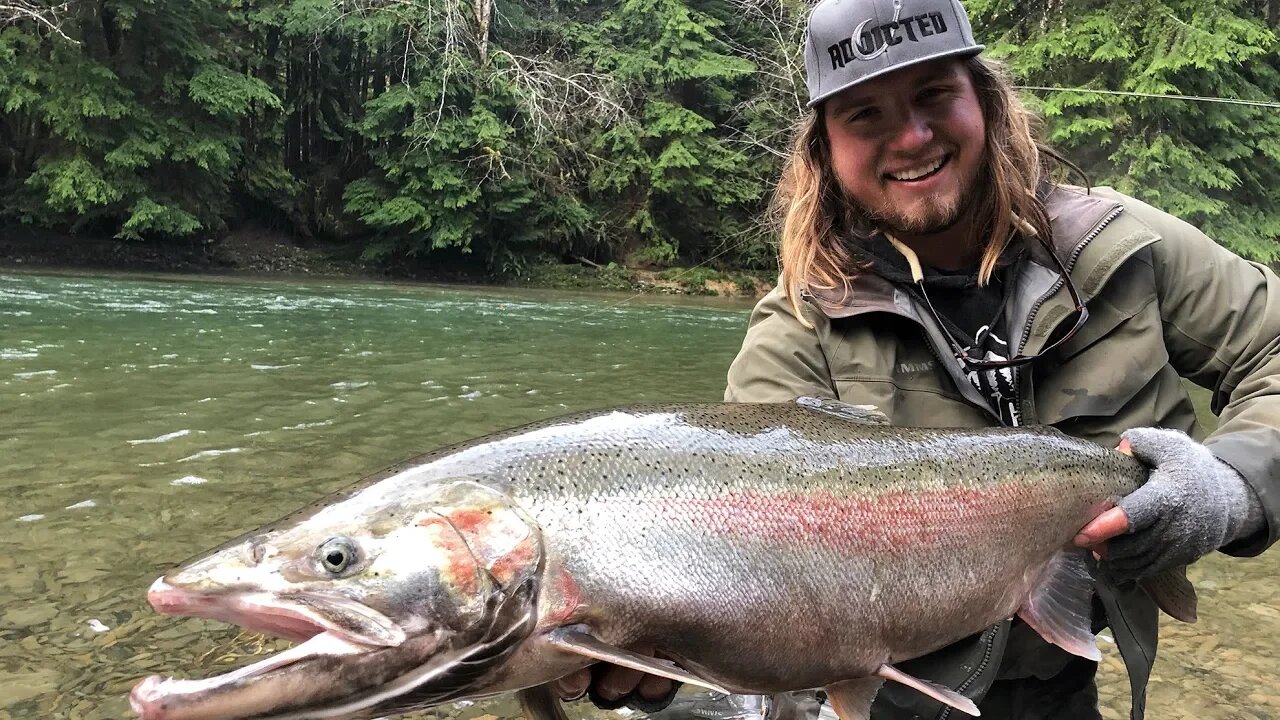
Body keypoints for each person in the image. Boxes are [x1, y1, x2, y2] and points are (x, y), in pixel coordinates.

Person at [555, 0, 1280, 717]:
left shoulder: (1124, 248)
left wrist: (1230, 487)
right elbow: (750, 549)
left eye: (934, 94)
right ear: (825, 149)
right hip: (895, 702)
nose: (910, 136)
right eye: (865, 115)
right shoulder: (799, 326)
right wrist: (666, 636)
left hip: (1064, 688)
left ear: (987, 103)